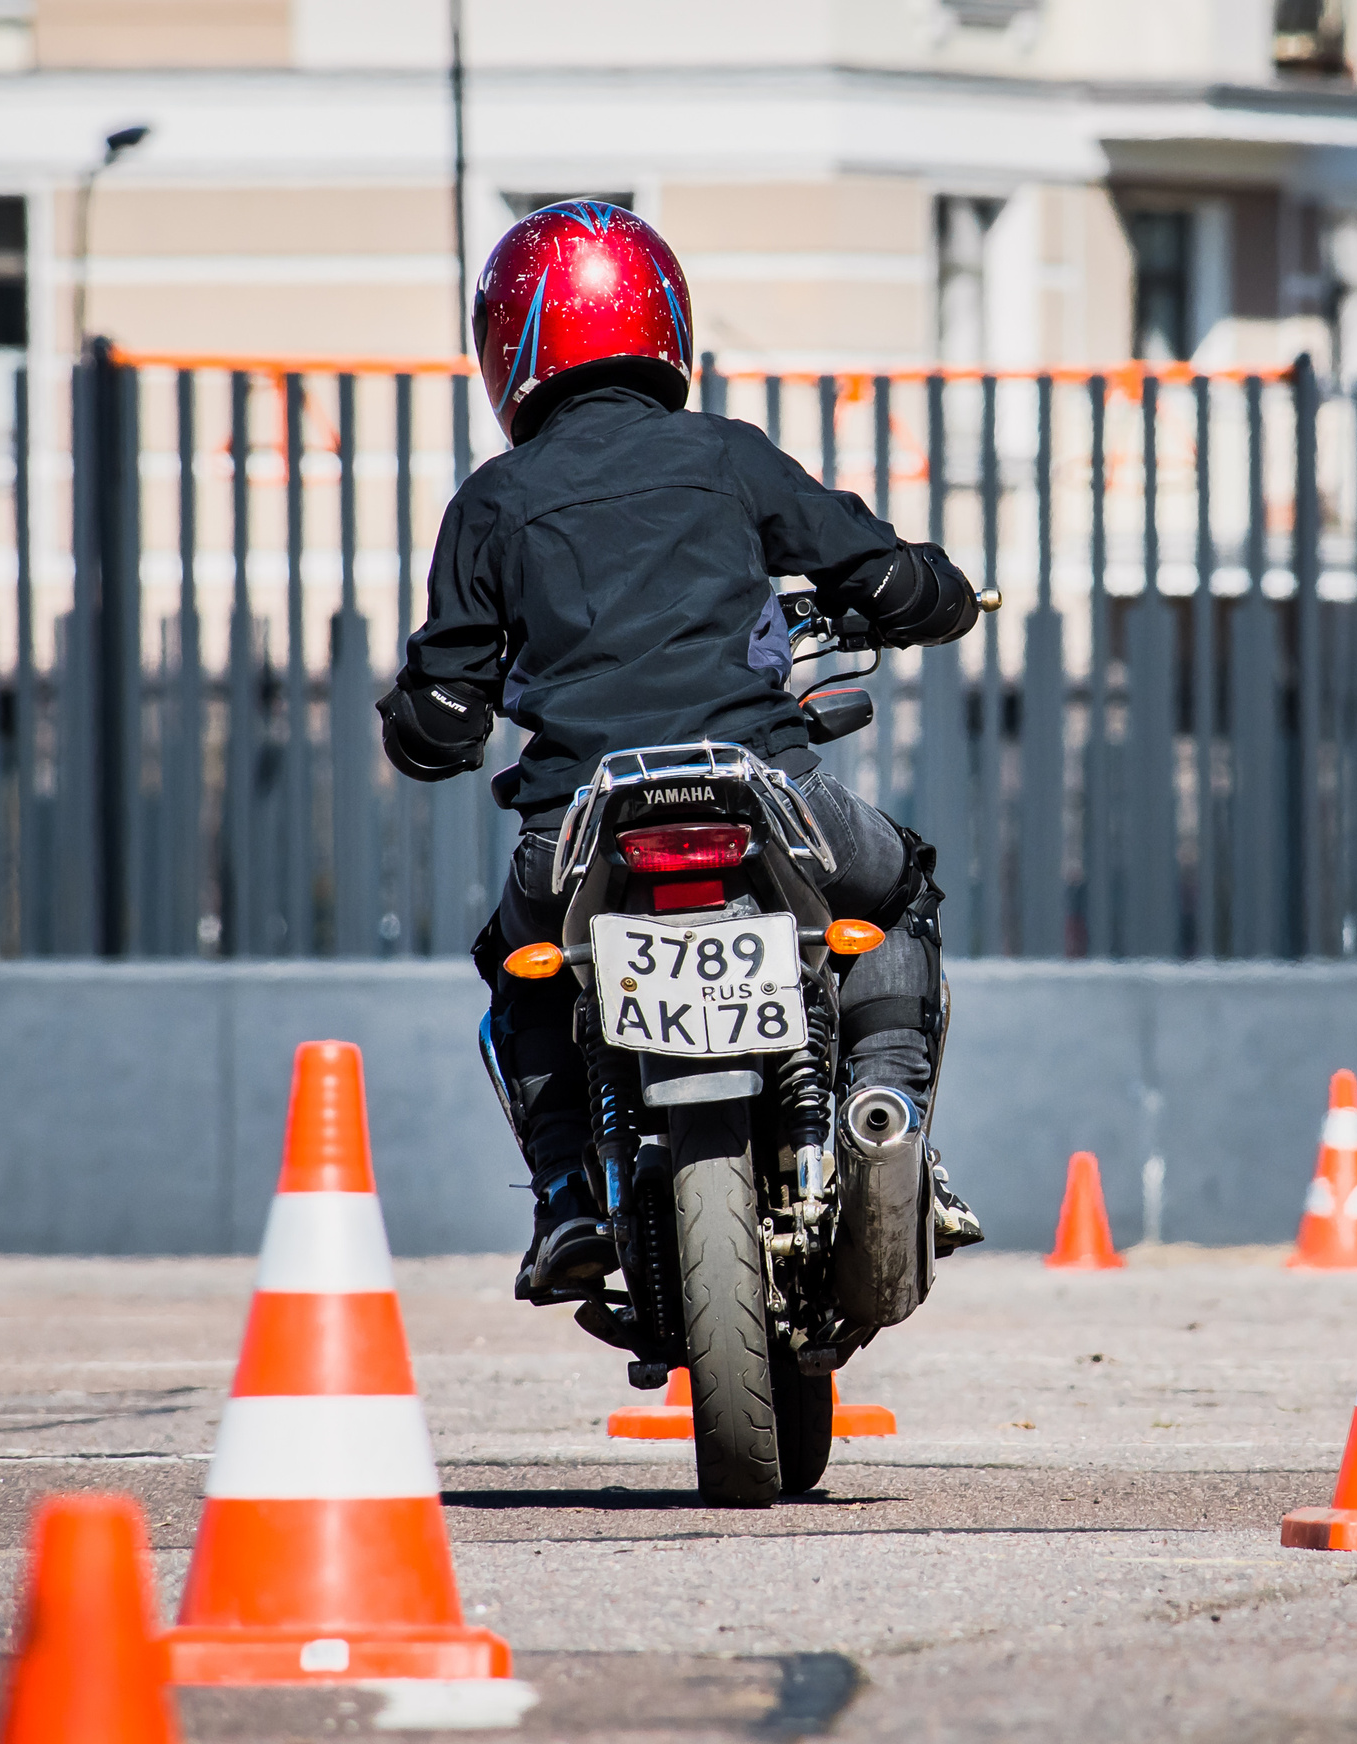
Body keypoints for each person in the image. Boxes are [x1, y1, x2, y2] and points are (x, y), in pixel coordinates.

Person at [376, 200, 984, 1310]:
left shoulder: (492, 503)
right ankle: (882, 1114)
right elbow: (884, 576)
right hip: (765, 790)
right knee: (897, 891)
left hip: (577, 823)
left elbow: (442, 714)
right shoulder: (728, 457)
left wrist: (429, 716)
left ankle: (563, 1186)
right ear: (664, 319)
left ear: (509, 345)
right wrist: (933, 595)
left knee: (517, 973)